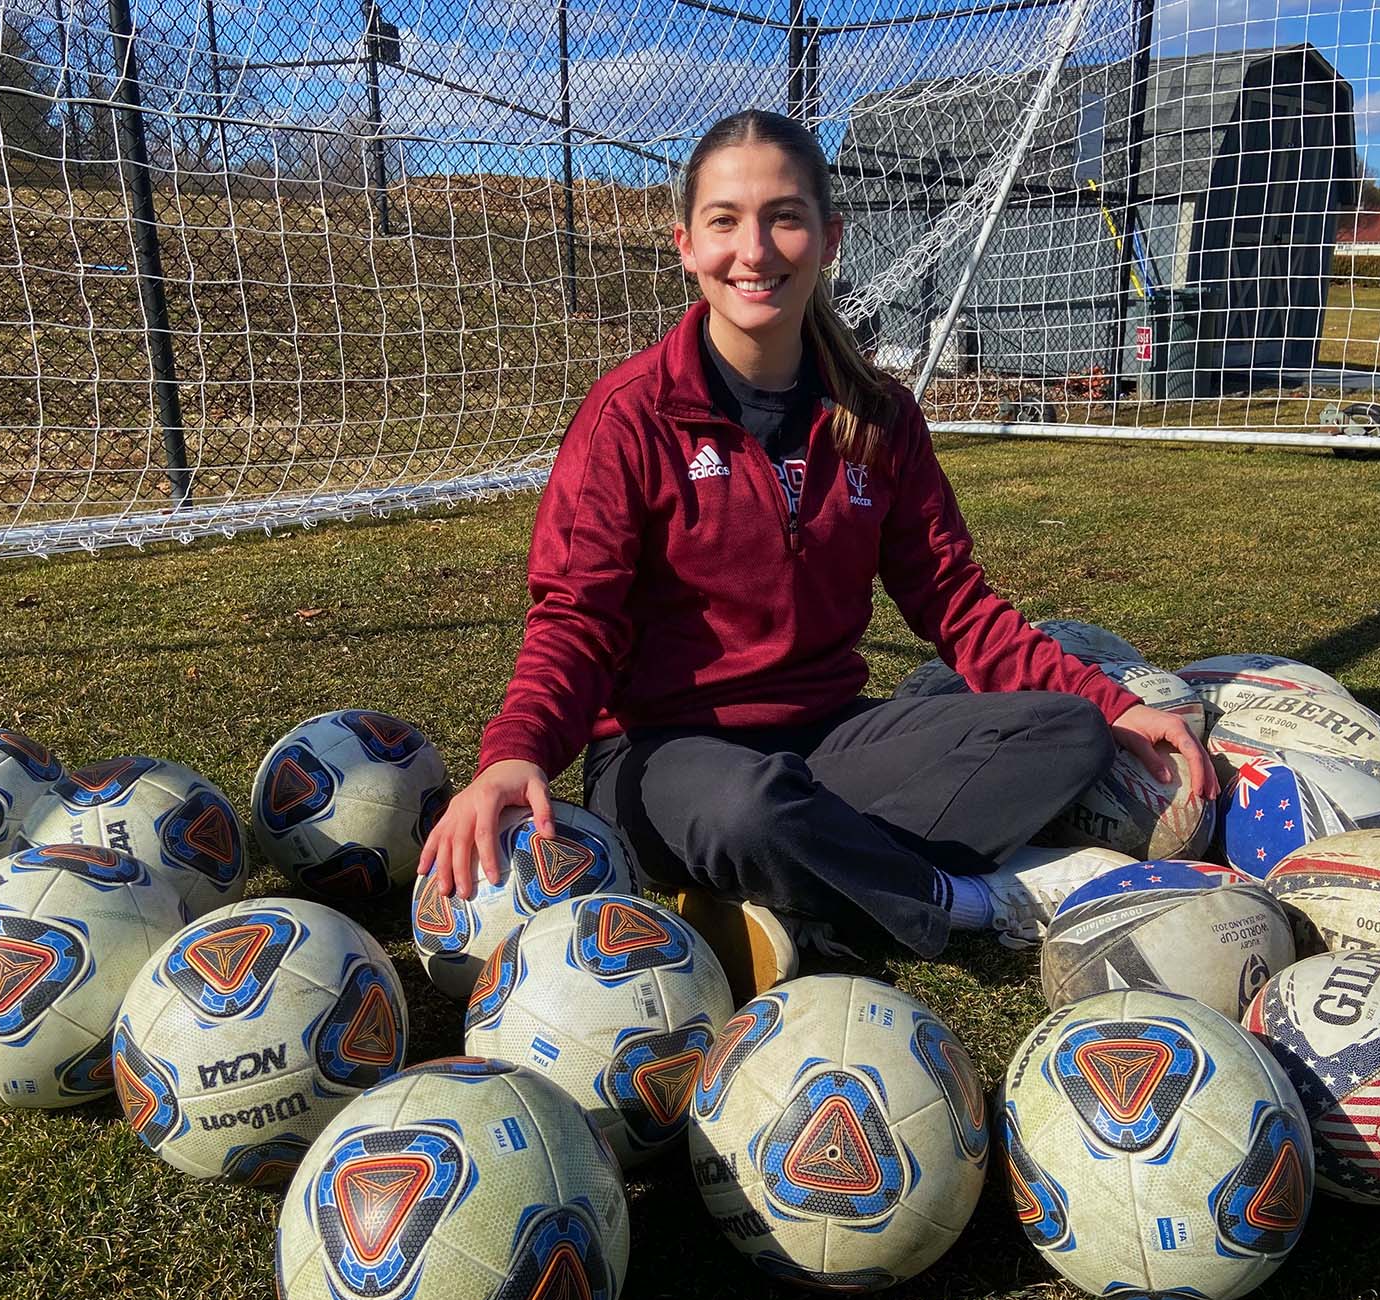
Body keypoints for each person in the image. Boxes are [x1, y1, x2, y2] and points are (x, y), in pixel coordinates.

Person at [419, 108, 1214, 992]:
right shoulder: (630, 416)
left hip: (832, 740)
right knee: (752, 810)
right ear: (686, 245)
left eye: (784, 217)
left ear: (829, 238)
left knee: (1064, 731)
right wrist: (514, 753)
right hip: (667, 758)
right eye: (725, 221)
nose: (754, 250)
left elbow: (953, 598)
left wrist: (1105, 703)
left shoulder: (879, 415)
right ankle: (967, 901)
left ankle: (802, 885)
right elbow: (576, 617)